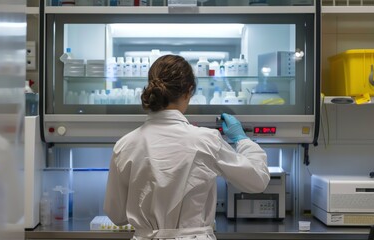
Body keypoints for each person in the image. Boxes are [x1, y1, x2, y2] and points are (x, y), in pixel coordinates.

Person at [104, 54, 270, 240]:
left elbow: (116, 215)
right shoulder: (206, 140)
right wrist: (242, 140)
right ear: (188, 92)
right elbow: (257, 180)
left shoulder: (125, 144)